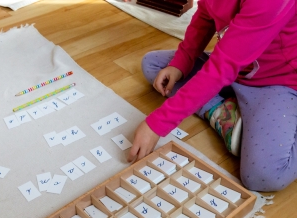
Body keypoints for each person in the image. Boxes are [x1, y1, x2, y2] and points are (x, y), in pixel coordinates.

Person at [127, 0, 297, 192]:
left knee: (263, 176)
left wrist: (158, 124)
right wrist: (180, 63)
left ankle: (231, 111)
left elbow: (221, 68)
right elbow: (205, 16)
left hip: (276, 83)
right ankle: (224, 112)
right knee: (154, 66)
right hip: (232, 67)